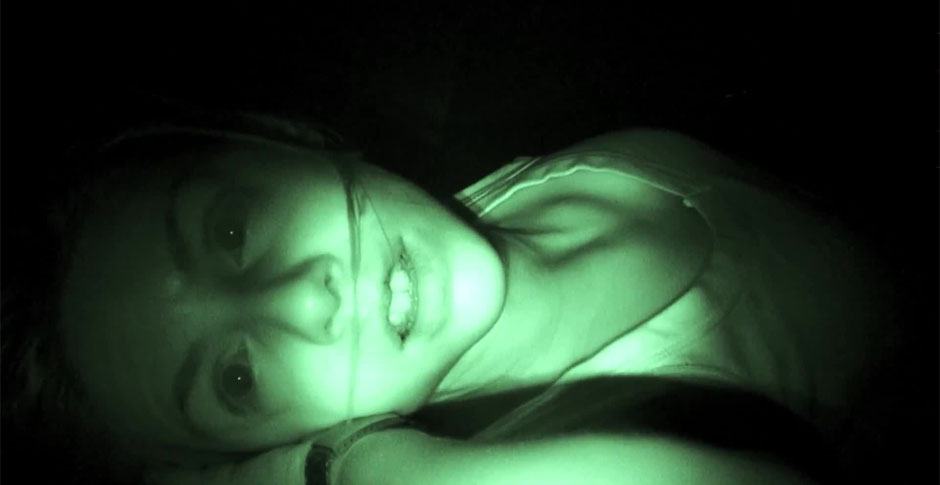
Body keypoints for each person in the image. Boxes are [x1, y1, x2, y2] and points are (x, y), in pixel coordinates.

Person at [2, 104, 898, 485]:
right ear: (278, 437)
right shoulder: (532, 456)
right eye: (237, 378)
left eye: (232, 230)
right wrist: (367, 468)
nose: (304, 300)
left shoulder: (482, 198)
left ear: (283, 139)